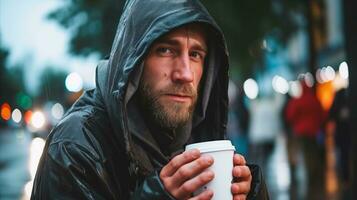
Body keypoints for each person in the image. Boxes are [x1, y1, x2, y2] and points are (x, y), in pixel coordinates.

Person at [31, 0, 269, 199]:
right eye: (166, 50)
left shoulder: (193, 135)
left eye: (195, 54)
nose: (185, 74)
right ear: (132, 60)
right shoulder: (75, 149)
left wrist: (251, 194)